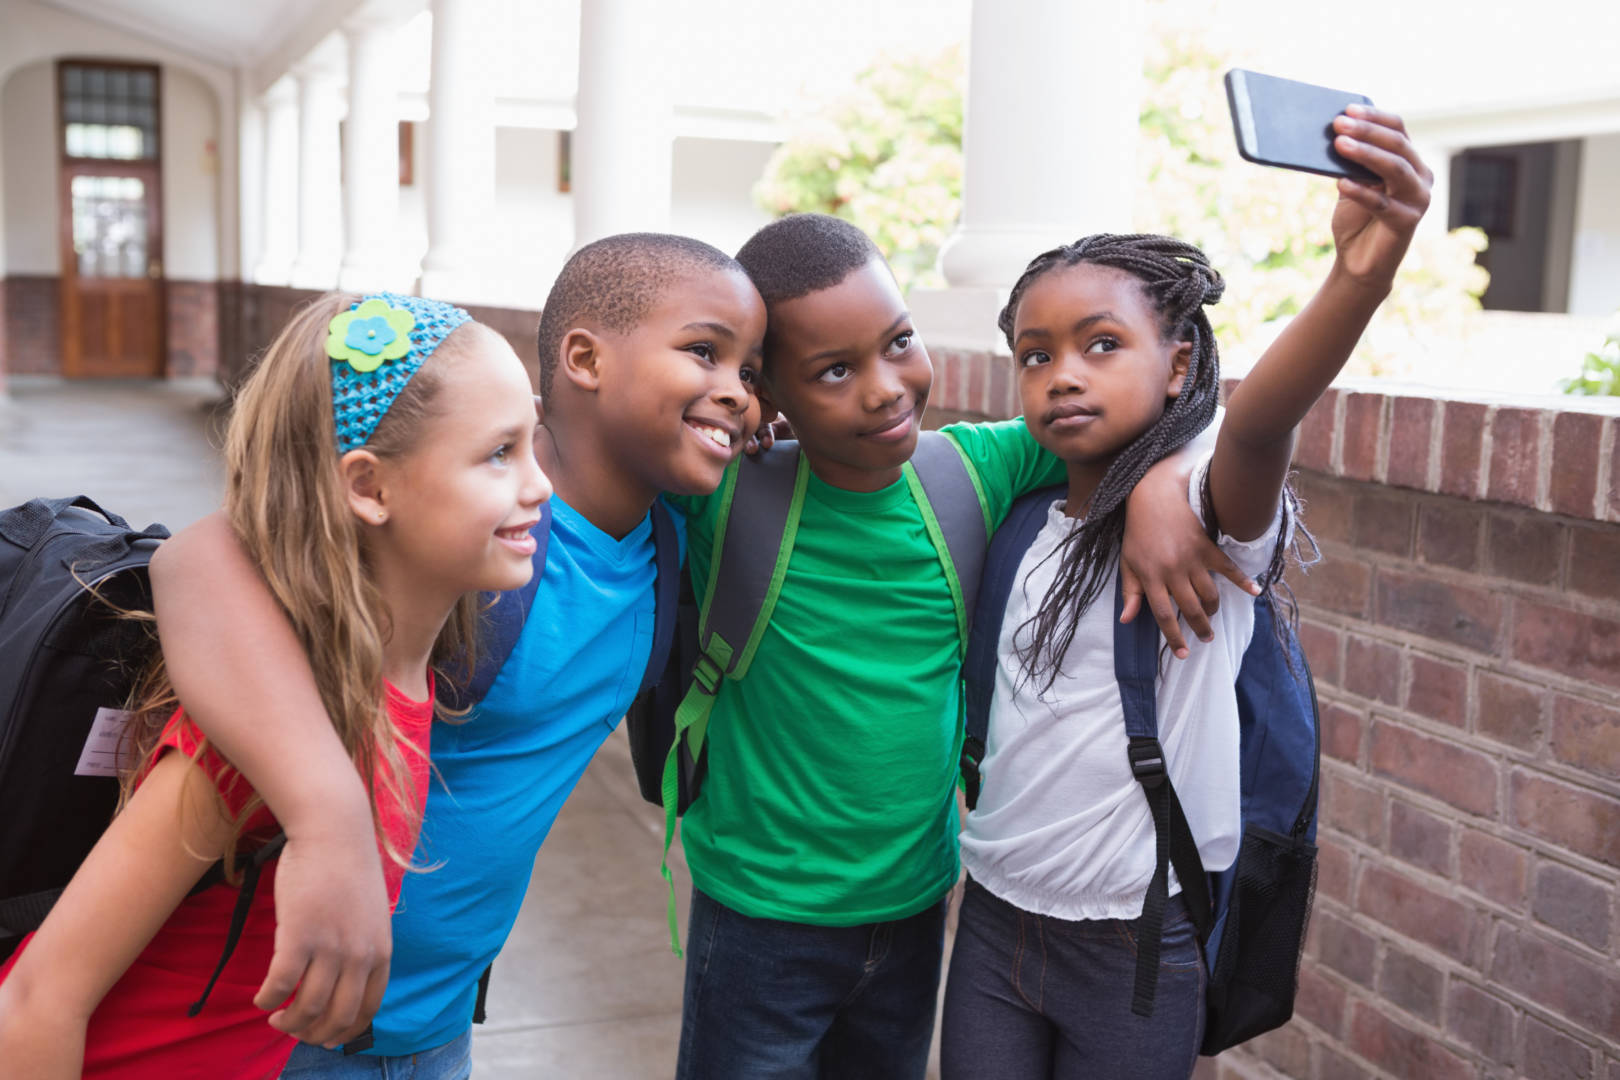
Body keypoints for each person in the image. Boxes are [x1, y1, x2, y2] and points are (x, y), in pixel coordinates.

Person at [144, 235, 770, 1074]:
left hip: (435, 1025)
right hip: (285, 1029)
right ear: (584, 358)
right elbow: (197, 557)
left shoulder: (673, 532)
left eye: (752, 372)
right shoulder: (467, 533)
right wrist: (328, 821)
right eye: (705, 352)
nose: (737, 392)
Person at [669, 213, 1260, 1080]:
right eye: (834, 370)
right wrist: (728, 405)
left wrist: (1169, 482)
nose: (884, 388)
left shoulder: (970, 471)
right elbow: (604, 429)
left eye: (898, 341)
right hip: (760, 919)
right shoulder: (721, 493)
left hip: (915, 911)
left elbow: (1140, 416)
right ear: (772, 391)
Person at [939, 106, 1431, 1079]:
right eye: (1036, 355)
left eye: (1100, 344)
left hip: (1135, 940)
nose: (1062, 374)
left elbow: (1255, 427)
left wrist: (1360, 276)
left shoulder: (1210, 525)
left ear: (1176, 365)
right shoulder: (1021, 524)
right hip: (994, 916)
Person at [0, 292, 550, 1078]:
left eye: (536, 443)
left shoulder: (403, 677)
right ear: (369, 487)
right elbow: (37, 999)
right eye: (500, 453)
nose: (540, 486)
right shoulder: (255, 738)